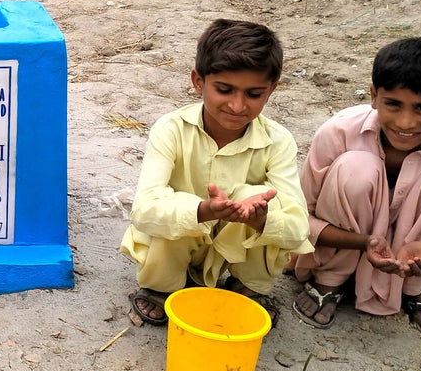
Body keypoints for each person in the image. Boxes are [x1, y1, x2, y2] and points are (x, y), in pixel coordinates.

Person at [120, 19, 311, 326]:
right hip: (182, 242)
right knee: (172, 206)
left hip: (238, 245)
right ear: (198, 81)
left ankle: (246, 286)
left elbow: (299, 228)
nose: (237, 105)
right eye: (224, 90)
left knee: (265, 202)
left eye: (253, 94)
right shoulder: (171, 130)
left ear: (271, 91)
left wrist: (261, 218)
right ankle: (163, 287)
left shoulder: (278, 141)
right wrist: (201, 210)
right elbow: (142, 211)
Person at [291, 38, 421, 337]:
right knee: (355, 168)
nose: (405, 122)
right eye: (393, 104)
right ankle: (330, 276)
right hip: (343, 245)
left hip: (414, 266)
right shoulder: (338, 132)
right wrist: (362, 241)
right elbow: (299, 216)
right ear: (374, 96)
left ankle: (411, 286)